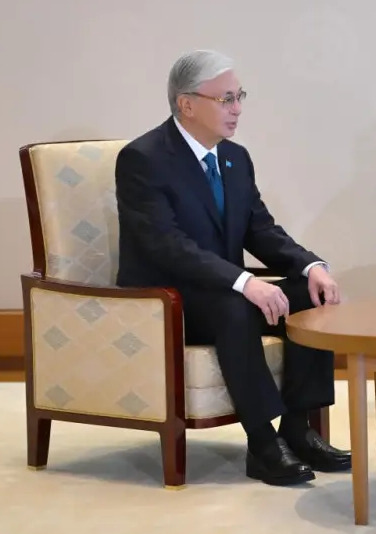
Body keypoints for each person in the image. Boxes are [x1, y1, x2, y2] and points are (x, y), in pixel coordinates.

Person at [114, 49, 351, 486]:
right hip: (165, 301)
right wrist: (244, 282)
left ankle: (298, 430)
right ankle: (262, 444)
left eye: (240, 96)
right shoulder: (143, 159)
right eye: (226, 99)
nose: (237, 108)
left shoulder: (235, 158)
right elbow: (167, 246)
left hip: (220, 291)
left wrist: (311, 266)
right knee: (236, 307)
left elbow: (260, 230)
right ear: (187, 104)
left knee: (309, 297)